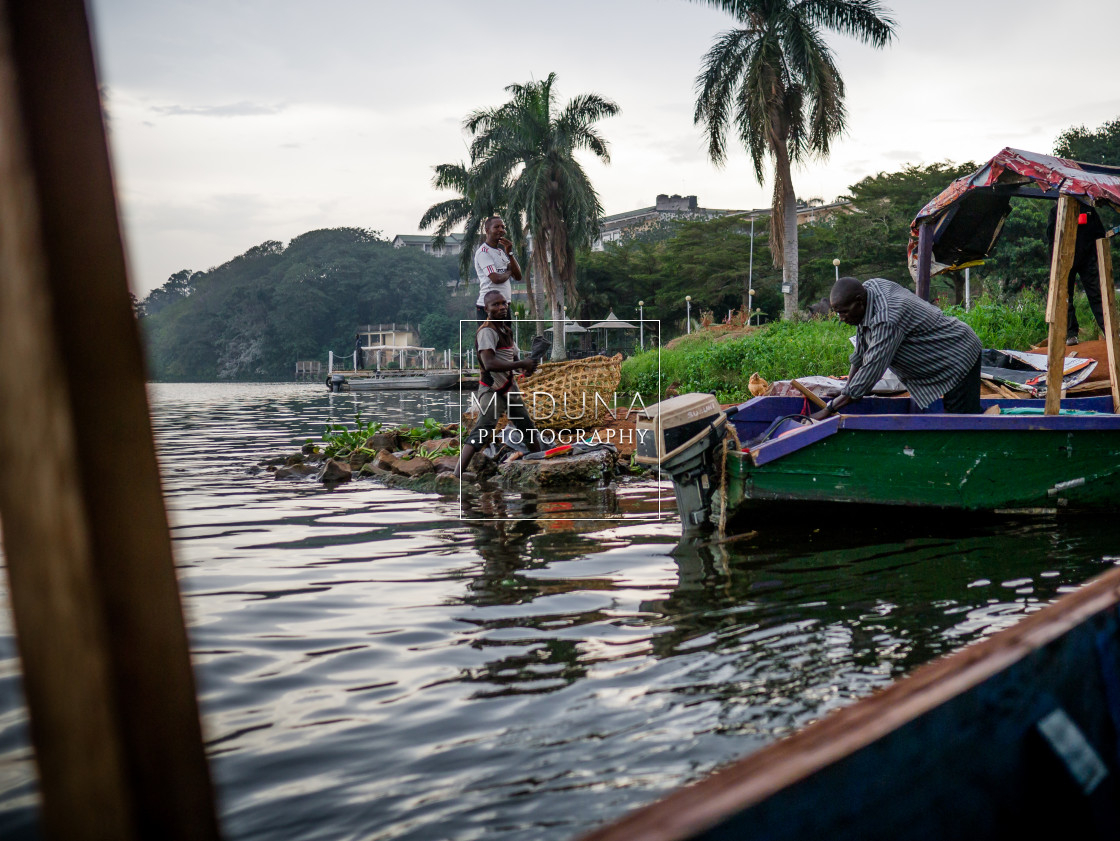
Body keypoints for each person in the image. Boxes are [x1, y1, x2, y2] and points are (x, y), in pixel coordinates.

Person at [811, 276, 982, 420]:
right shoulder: (869, 289)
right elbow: (861, 351)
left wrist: (828, 410)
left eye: (845, 312)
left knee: (959, 424)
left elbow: (871, 370)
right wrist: (847, 388)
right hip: (939, 355)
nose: (841, 318)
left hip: (958, 353)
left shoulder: (887, 319)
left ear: (859, 301)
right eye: (838, 313)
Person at [455, 290, 543, 477]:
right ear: (486, 309)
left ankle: (540, 463)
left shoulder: (505, 330)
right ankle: (456, 475)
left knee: (526, 426)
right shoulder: (487, 331)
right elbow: (490, 363)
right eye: (496, 305)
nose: (502, 307)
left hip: (509, 386)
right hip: (492, 388)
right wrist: (521, 364)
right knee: (483, 429)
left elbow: (513, 358)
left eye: (504, 303)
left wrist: (526, 367)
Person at [1046, 201, 1107, 345]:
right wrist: (1055, 264)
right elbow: (1051, 238)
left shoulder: (1088, 210)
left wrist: (1095, 257)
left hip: (1087, 260)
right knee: (1065, 298)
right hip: (1065, 259)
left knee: (1096, 295)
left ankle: (1109, 330)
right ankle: (1071, 334)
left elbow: (1099, 234)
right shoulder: (1056, 211)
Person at [473, 216, 521, 323]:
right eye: (497, 227)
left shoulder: (501, 252)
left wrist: (510, 253)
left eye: (503, 227)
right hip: (490, 307)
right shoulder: (483, 252)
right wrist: (509, 271)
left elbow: (518, 276)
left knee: (506, 339)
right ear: (487, 230)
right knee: (490, 338)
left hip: (504, 306)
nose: (501, 230)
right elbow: (496, 278)